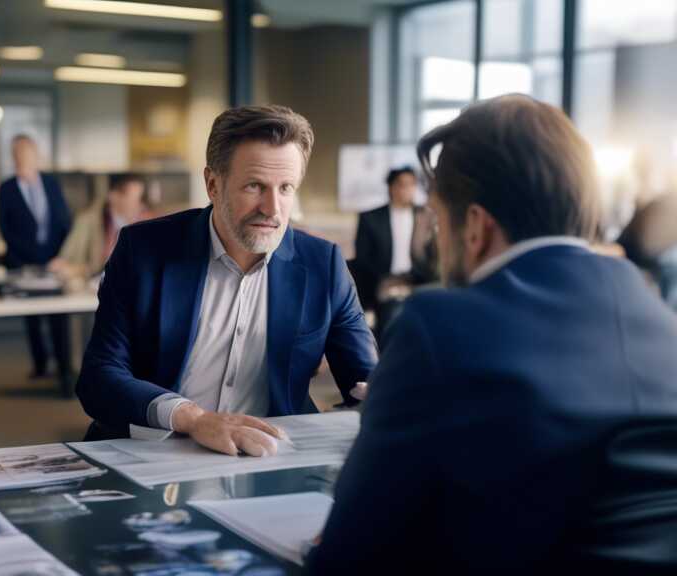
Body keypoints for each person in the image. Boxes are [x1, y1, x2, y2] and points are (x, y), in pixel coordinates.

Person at [306, 95, 677, 574]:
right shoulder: (660, 319)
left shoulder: (439, 327)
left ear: (476, 227)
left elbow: (349, 555)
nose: (436, 241)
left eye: (438, 220)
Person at [77, 105, 378, 456]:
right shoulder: (143, 250)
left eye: (285, 188)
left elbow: (364, 377)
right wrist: (193, 418)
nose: (272, 208)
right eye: (254, 186)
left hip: (267, 456)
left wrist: (384, 394)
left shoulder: (323, 264)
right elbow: (99, 378)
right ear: (212, 184)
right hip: (156, 449)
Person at [0, 134, 72, 384]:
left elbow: (63, 219)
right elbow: (5, 228)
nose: (24, 157)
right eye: (19, 153)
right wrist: (26, 259)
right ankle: (40, 364)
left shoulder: (50, 183)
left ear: (36, 154)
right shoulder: (7, 188)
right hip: (22, 261)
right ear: (14, 156)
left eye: (28, 152)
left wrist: (62, 255)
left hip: (53, 259)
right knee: (32, 316)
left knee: (58, 315)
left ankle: (64, 369)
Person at [351, 166, 437, 318]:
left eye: (412, 184)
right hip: (384, 281)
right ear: (391, 187)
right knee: (394, 312)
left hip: (419, 281)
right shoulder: (371, 218)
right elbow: (363, 260)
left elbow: (434, 255)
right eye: (402, 184)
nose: (407, 189)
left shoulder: (426, 216)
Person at [49, 173, 152, 279]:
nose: (140, 205)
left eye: (141, 199)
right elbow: (64, 262)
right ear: (113, 196)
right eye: (134, 199)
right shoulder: (89, 221)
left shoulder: (145, 223)